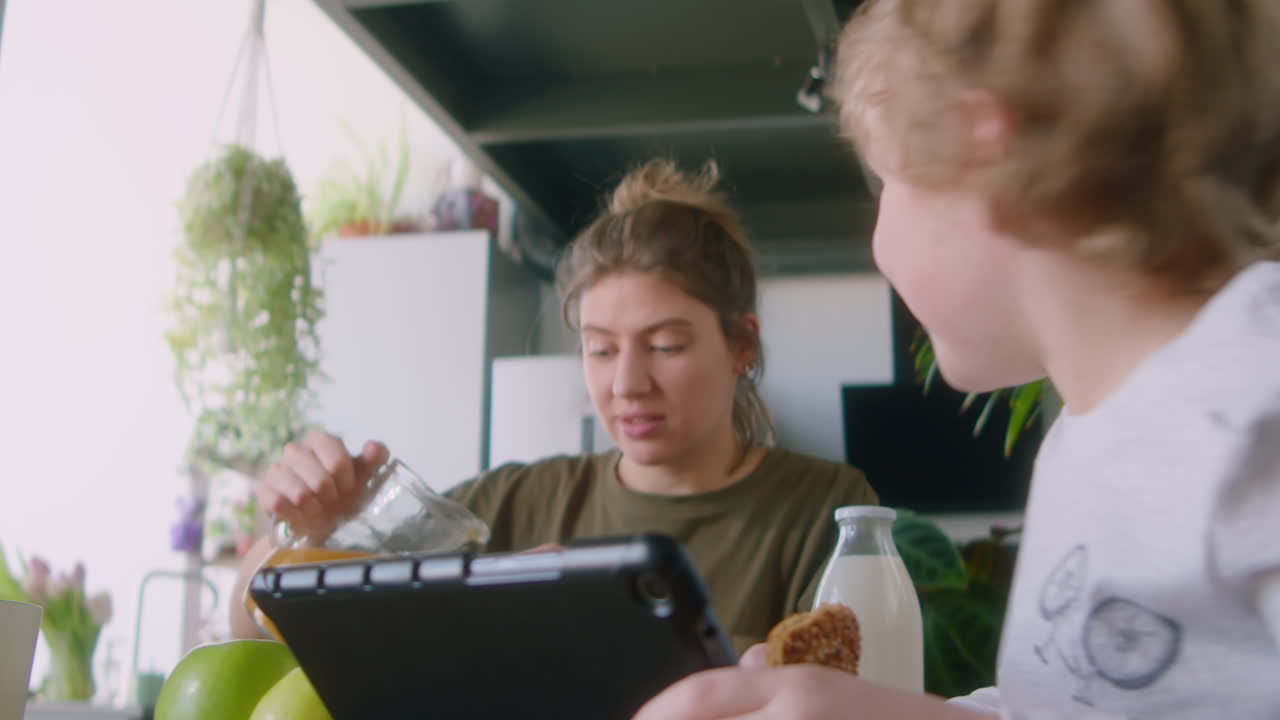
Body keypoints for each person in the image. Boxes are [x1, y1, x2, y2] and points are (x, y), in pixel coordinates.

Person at [635, 1, 1280, 718]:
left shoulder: (1254, 401)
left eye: (887, 184)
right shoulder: (1093, 435)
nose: (877, 242)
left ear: (984, 156)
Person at [230, 159, 878, 652]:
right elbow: (253, 627)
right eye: (601, 350)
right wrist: (307, 530)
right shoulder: (515, 505)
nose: (627, 384)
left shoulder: (826, 512)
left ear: (741, 346)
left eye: (666, 345)